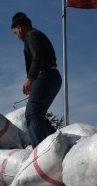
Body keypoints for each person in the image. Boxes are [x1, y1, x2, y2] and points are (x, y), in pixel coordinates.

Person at [11, 12, 62, 148]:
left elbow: (38, 57)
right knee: (37, 113)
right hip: (52, 77)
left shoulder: (31, 36)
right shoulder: (35, 35)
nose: (16, 36)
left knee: (32, 112)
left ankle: (41, 151)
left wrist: (30, 78)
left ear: (20, 28)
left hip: (47, 75)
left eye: (15, 32)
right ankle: (56, 144)